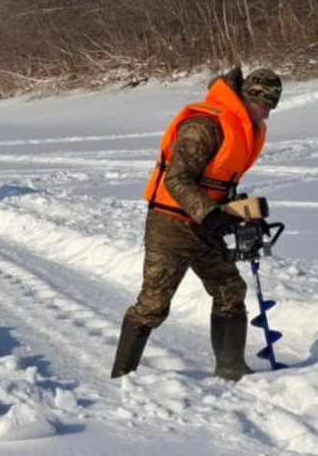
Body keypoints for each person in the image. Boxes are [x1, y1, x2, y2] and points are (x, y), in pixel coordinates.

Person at [112, 67, 282, 381]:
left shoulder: (243, 128)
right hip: (171, 225)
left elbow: (215, 183)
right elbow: (177, 180)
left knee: (231, 289)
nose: (267, 115)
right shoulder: (204, 125)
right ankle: (122, 376)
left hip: (205, 225)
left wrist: (239, 211)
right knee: (153, 305)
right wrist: (212, 214)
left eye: (272, 108)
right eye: (265, 106)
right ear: (249, 97)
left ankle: (232, 368)